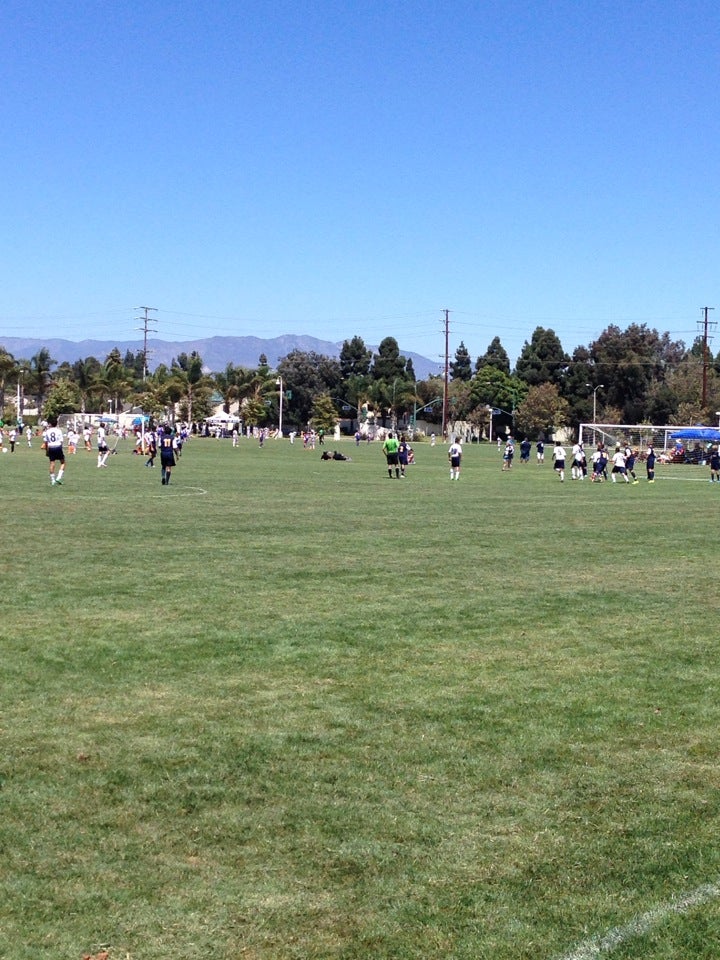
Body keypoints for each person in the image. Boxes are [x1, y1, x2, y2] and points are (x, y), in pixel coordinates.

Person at [43, 416, 66, 485]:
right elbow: (61, 441)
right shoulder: (59, 431)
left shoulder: (47, 431)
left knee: (52, 463)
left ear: (50, 424)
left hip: (51, 447)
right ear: (56, 424)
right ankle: (58, 478)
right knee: (63, 462)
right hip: (58, 447)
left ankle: (53, 480)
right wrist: (61, 448)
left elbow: (46, 442)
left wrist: (47, 450)